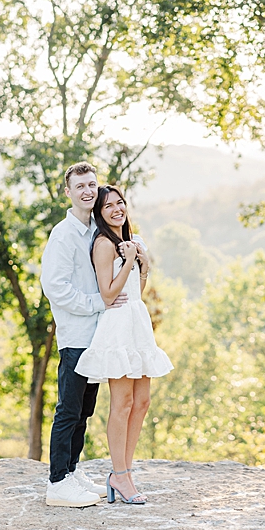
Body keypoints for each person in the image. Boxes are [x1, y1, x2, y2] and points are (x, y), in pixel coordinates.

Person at [74, 185, 173, 505]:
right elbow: (107, 295)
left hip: (137, 323)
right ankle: (119, 473)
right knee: (123, 403)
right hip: (116, 327)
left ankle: (125, 472)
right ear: (100, 213)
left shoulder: (131, 242)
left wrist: (143, 265)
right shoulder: (103, 244)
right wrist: (129, 261)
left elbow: (137, 291)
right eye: (108, 206)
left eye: (120, 203)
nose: (116, 209)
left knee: (142, 401)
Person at [40, 162, 128, 507]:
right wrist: (99, 302)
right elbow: (55, 288)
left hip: (97, 336)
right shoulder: (63, 235)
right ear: (68, 192)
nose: (88, 191)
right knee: (68, 410)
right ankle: (57, 482)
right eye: (80, 186)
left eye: (92, 184)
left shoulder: (96, 228)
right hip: (76, 335)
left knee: (85, 410)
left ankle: (73, 471)